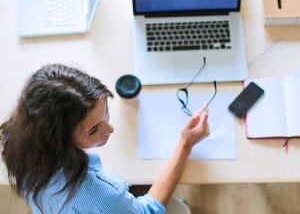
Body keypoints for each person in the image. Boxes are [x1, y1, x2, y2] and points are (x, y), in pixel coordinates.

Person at [0, 64, 209, 214]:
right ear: (59, 140)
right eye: (93, 130)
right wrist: (185, 144)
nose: (111, 129)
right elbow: (148, 210)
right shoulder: (104, 196)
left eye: (106, 111)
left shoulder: (15, 141)